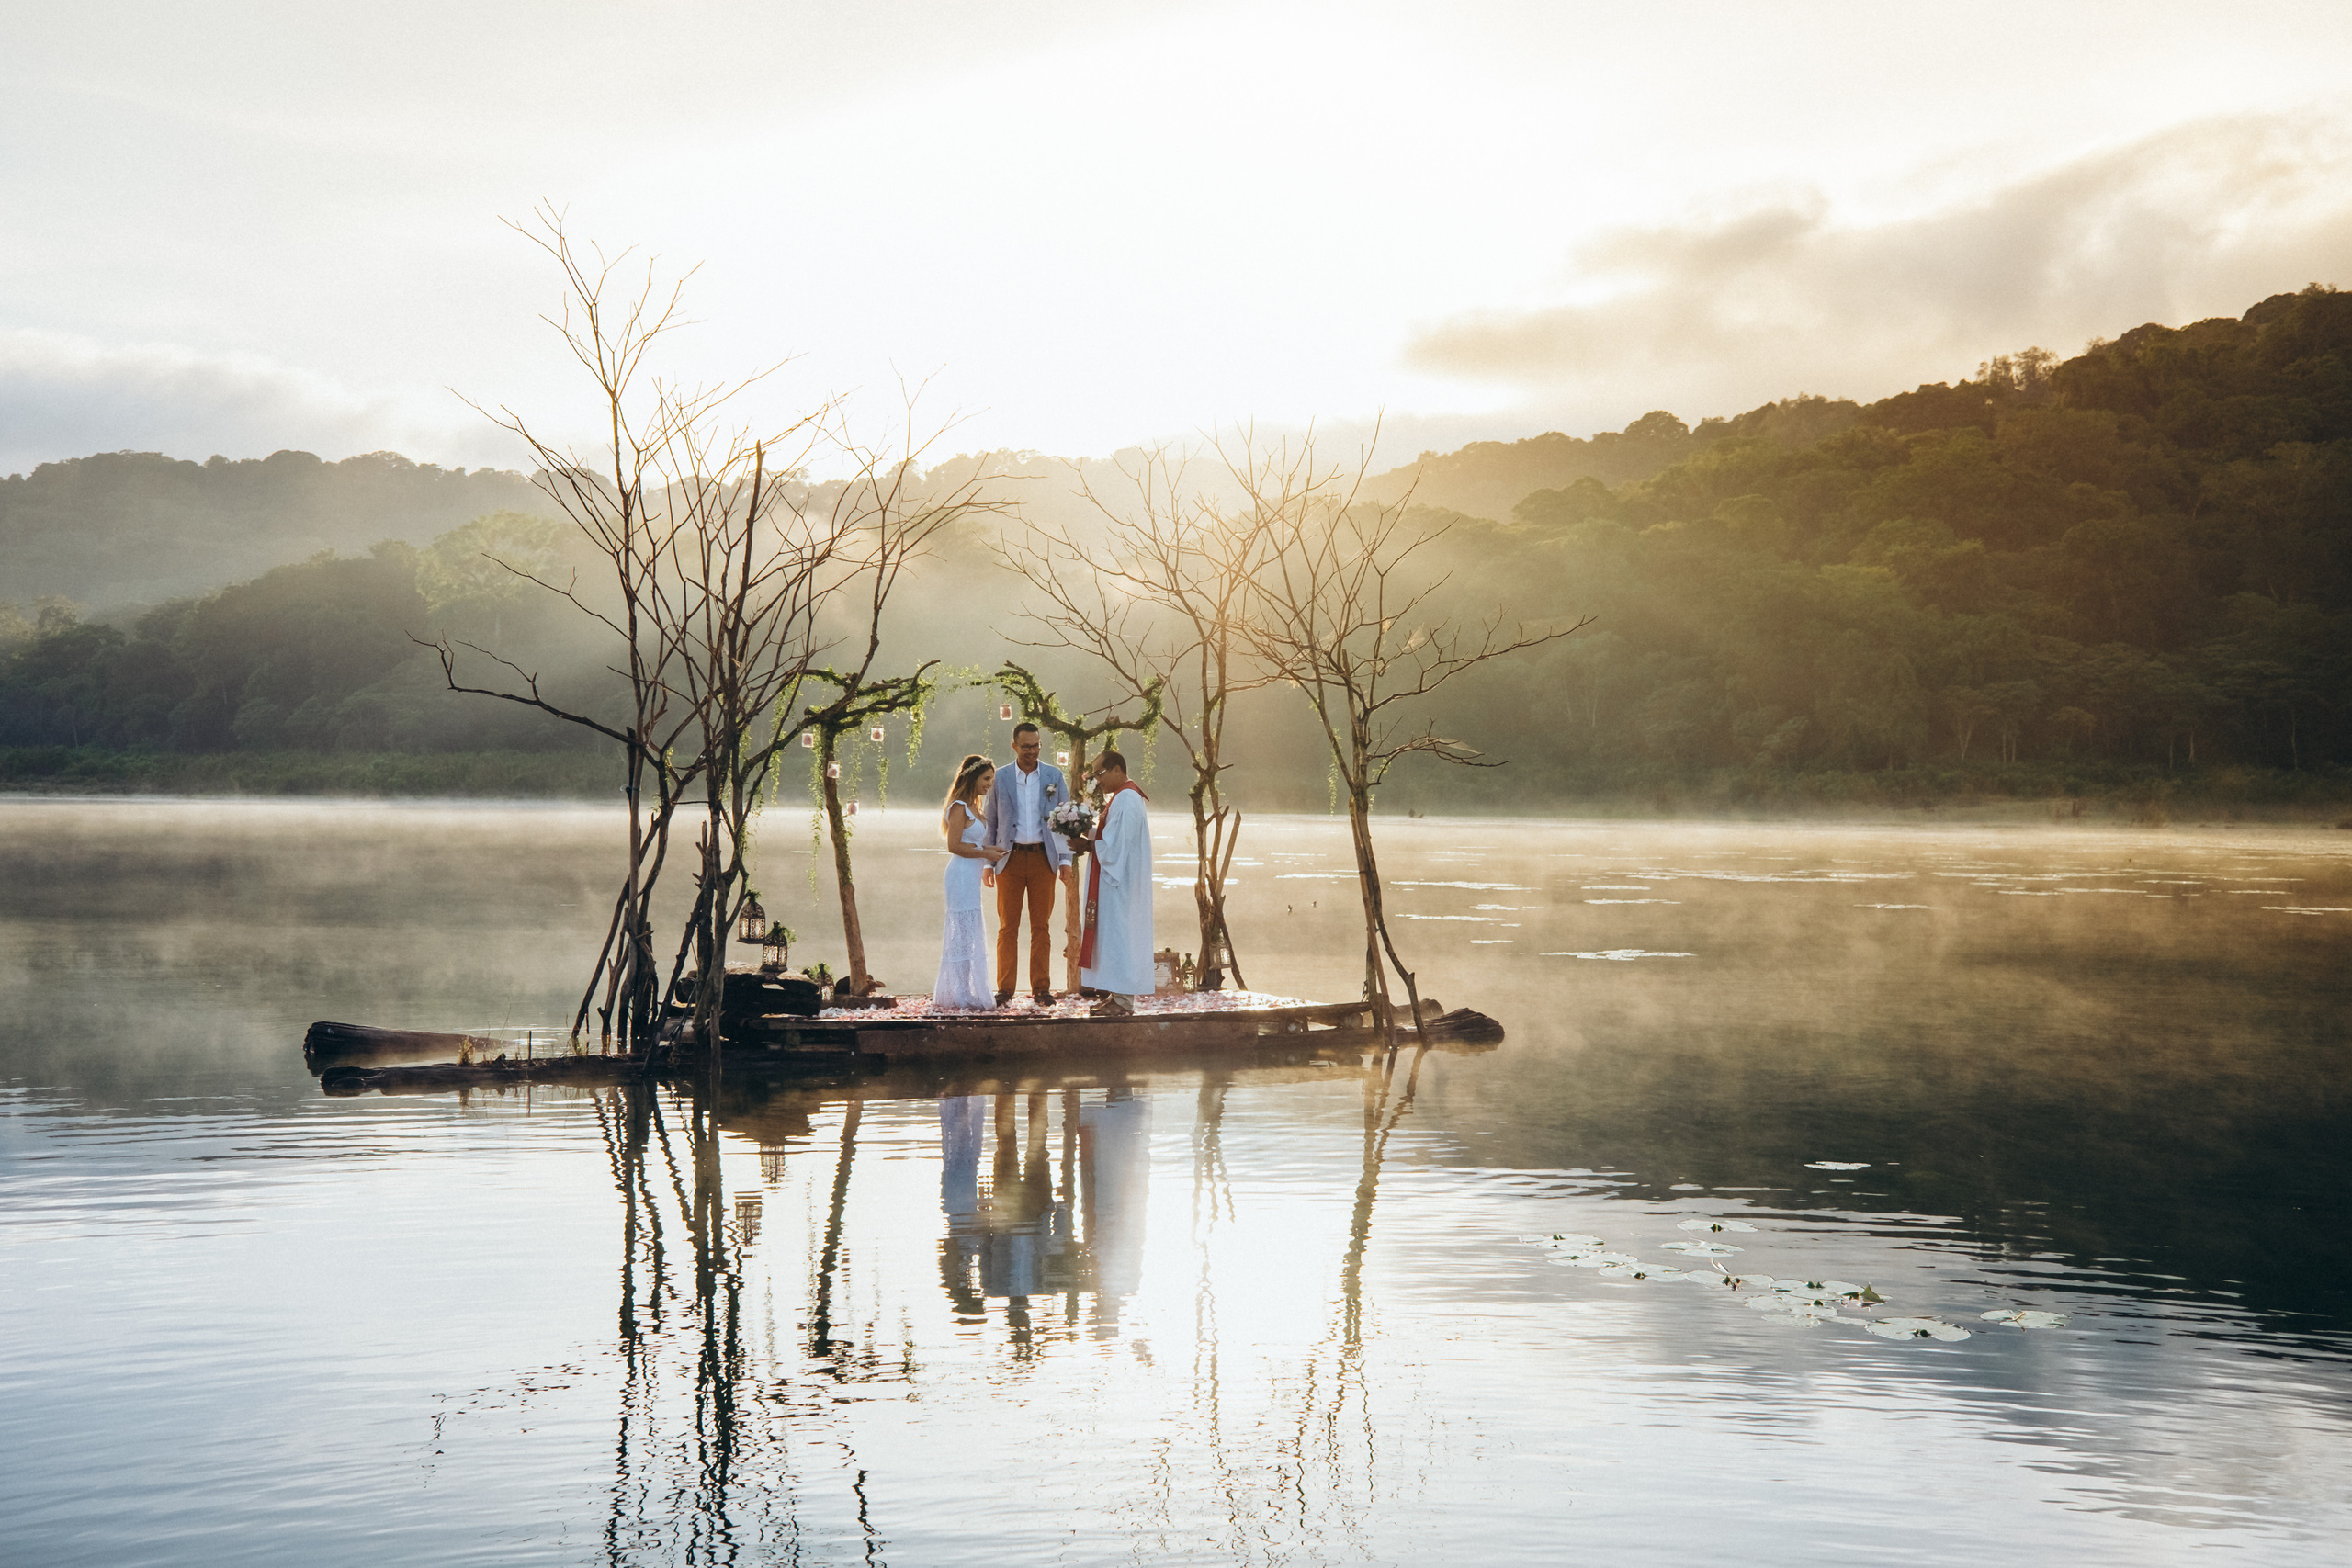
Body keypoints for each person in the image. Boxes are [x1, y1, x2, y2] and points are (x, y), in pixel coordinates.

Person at [980, 721, 1071, 1007]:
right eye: (1026, 746)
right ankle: (1005, 989)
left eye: (1036, 745)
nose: (1032, 751)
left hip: (1044, 858)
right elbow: (990, 821)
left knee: (1041, 926)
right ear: (1014, 746)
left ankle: (1041, 988)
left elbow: (1065, 820)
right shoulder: (1001, 778)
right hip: (1009, 858)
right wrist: (987, 864)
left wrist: (1065, 860)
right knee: (1007, 926)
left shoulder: (1054, 776)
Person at [1077, 750, 1152, 1017]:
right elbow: (1110, 835)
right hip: (1115, 879)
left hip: (1120, 881)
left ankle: (1123, 1001)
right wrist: (1083, 828)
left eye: (1100, 774)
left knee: (1119, 936)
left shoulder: (1127, 799)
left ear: (1118, 769)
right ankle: (1116, 995)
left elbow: (1116, 846)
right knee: (1111, 936)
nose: (1097, 781)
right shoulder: (1121, 798)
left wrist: (1087, 845)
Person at [934, 753, 1009, 1010]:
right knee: (962, 933)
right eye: (986, 779)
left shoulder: (975, 806)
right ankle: (958, 992)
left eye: (991, 780)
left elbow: (974, 843)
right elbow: (954, 846)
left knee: (969, 933)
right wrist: (985, 853)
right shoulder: (959, 807)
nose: (989, 784)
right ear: (973, 777)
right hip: (961, 873)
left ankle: (967, 989)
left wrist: (991, 850)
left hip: (972, 875)